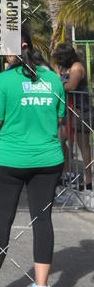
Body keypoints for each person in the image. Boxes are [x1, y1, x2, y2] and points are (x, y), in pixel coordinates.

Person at [0, 28, 65, 287]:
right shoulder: (53, 80)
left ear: (15, 49)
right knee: (42, 221)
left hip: (9, 160)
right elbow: (58, 119)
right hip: (47, 160)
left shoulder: (4, 81)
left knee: (1, 221)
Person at [52, 42, 93, 192]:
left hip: (81, 110)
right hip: (69, 111)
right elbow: (58, 78)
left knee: (84, 146)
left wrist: (54, 85)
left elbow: (71, 86)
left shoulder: (77, 67)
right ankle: (67, 173)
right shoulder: (65, 67)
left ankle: (88, 179)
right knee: (59, 140)